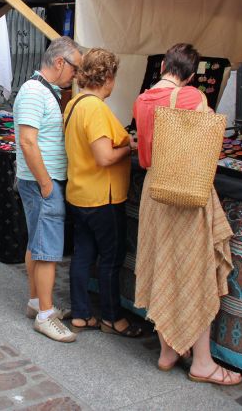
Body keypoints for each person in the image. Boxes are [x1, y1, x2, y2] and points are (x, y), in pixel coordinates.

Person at [133, 43, 241, 385]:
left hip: (155, 192)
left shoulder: (142, 100)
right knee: (195, 273)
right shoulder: (194, 98)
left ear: (163, 64)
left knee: (162, 266)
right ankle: (202, 362)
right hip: (187, 192)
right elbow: (211, 144)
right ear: (192, 74)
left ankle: (168, 352)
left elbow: (145, 150)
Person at [63, 48, 142, 337]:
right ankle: (112, 318)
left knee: (83, 254)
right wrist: (129, 147)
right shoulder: (94, 108)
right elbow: (104, 157)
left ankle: (82, 314)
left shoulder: (74, 103)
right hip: (102, 197)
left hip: (80, 192)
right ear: (107, 76)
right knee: (110, 258)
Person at [14, 36, 82, 343]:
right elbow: (28, 141)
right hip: (43, 180)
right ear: (59, 63)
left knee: (37, 243)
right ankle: (45, 314)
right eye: (75, 68)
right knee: (47, 252)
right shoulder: (34, 92)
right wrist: (45, 184)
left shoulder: (41, 91)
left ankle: (36, 302)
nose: (76, 75)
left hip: (42, 179)